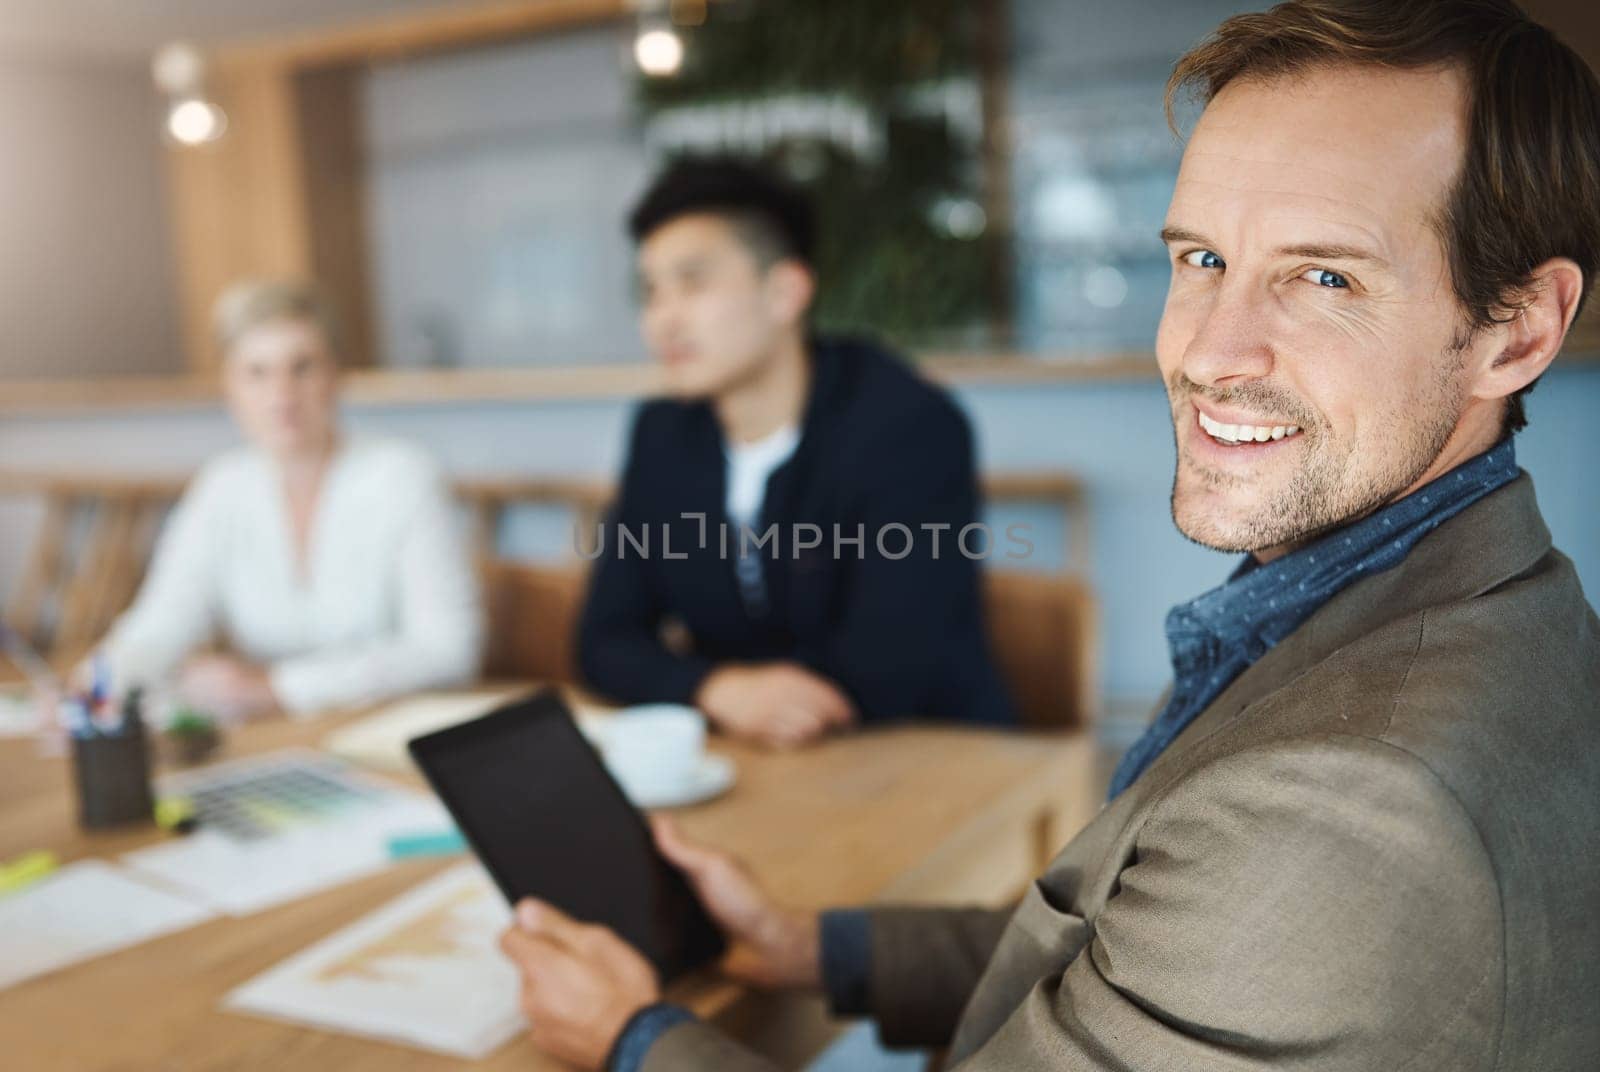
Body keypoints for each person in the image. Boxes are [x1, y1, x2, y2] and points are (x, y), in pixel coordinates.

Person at [497, 2, 1600, 1068]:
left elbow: (876, 667)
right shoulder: (1437, 607)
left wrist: (632, 1039)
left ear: (1516, 331)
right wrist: (812, 945)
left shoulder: (1350, 805)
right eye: (1200, 260)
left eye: (1323, 277)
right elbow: (1141, 940)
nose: (1212, 351)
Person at [576, 157, 1016, 748]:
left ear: (785, 292)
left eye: (693, 282)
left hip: (928, 754)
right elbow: (602, 642)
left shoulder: (907, 425)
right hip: (753, 761)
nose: (663, 319)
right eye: (652, 291)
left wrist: (706, 686)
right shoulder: (661, 435)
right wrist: (721, 689)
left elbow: (890, 667)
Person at [93, 280, 482, 720]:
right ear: (229, 389)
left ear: (335, 375)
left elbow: (448, 649)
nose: (282, 395)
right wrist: (99, 682)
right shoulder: (221, 487)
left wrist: (276, 688)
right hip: (270, 738)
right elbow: (160, 622)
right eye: (256, 373)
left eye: (302, 367)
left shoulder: (403, 476)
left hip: (383, 729)